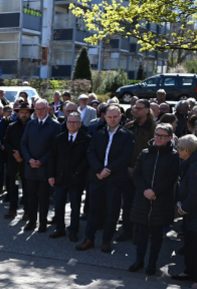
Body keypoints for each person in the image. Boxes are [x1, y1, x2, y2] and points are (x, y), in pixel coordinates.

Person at [76, 105, 135, 252]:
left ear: (120, 117)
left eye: (115, 117)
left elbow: (125, 157)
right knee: (93, 210)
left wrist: (108, 170)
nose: (112, 119)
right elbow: (91, 153)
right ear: (105, 117)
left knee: (112, 211)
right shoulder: (98, 134)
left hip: (115, 179)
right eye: (110, 117)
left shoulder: (127, 135)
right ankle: (89, 238)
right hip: (97, 178)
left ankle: (106, 240)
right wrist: (99, 169)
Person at [127, 123, 180, 275]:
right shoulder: (145, 153)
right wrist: (145, 190)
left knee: (156, 236)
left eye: (162, 136)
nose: (158, 138)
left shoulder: (173, 155)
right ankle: (139, 260)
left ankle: (152, 263)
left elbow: (171, 177)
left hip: (161, 201)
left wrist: (155, 191)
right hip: (143, 200)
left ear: (169, 138)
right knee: (141, 234)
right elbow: (136, 174)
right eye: (156, 135)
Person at [48, 111, 91, 242]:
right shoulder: (59, 138)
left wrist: (78, 171)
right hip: (60, 177)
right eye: (70, 122)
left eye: (75, 122)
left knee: (75, 206)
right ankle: (60, 228)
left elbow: (87, 159)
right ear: (66, 123)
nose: (72, 124)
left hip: (76, 178)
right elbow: (52, 158)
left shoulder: (86, 139)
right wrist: (51, 175)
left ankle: (73, 230)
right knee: (59, 204)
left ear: (80, 124)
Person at [119, 99, 157, 243]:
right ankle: (127, 230)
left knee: (143, 205)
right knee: (127, 203)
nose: (136, 111)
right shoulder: (129, 126)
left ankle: (140, 234)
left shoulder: (154, 128)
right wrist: (126, 167)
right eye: (135, 108)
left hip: (145, 174)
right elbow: (121, 148)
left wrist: (139, 170)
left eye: (139, 108)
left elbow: (155, 152)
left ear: (147, 110)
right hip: (128, 172)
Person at [21, 99, 60, 232]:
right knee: (31, 196)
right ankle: (32, 221)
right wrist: (29, 159)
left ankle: (43, 223)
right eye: (37, 109)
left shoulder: (55, 125)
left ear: (47, 109)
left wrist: (41, 161)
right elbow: (23, 143)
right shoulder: (30, 124)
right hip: (30, 167)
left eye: (42, 109)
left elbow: (54, 148)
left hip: (45, 168)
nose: (39, 112)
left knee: (44, 197)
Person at [171, 134, 197, 287]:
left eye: (179, 149)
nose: (178, 152)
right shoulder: (192, 163)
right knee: (190, 244)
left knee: (196, 247)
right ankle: (189, 271)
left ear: (186, 151)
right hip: (192, 215)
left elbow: (196, 193)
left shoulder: (196, 166)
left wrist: (183, 209)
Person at [3, 104, 32, 218]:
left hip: (27, 161)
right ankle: (12, 209)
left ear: (29, 113)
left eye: (26, 112)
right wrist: (14, 153)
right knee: (12, 186)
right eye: (21, 112)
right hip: (13, 160)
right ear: (18, 113)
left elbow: (34, 144)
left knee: (27, 186)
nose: (24, 115)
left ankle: (27, 210)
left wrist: (23, 155)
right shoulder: (12, 126)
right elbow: (6, 142)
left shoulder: (33, 126)